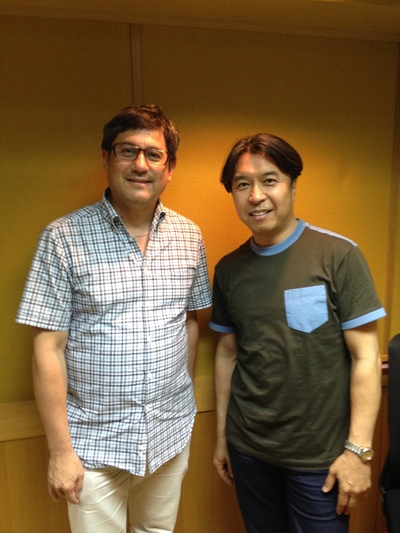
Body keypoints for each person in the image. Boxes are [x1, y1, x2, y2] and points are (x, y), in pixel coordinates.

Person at [16, 104, 212, 533]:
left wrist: (181, 400)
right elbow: (47, 347)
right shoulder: (63, 238)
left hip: (169, 434)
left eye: (154, 154)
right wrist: (60, 452)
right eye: (128, 151)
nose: (141, 165)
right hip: (92, 444)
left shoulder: (189, 236)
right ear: (106, 158)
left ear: (169, 168)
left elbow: (190, 321)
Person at [210, 133, 385, 533]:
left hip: (320, 459)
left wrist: (358, 452)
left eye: (269, 180)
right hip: (248, 450)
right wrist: (221, 438)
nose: (256, 196)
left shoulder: (338, 256)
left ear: (292, 185)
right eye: (242, 184)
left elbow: (365, 357)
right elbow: (227, 353)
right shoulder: (229, 269)